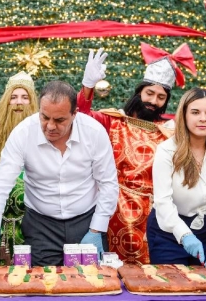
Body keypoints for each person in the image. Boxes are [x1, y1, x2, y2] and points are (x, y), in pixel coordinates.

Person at [77, 44, 197, 264]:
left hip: (154, 213)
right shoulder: (112, 121)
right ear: (139, 92)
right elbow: (80, 118)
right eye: (149, 93)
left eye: (161, 97)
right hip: (113, 208)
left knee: (152, 274)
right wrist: (87, 86)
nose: (153, 101)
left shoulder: (171, 132)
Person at [0, 81, 119, 266]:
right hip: (40, 225)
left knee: (90, 284)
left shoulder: (94, 133)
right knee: (42, 285)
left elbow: (108, 183)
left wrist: (96, 230)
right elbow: (1, 182)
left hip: (86, 221)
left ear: (74, 114)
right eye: (45, 117)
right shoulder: (23, 133)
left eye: (60, 120)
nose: (50, 126)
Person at [147, 87, 206, 266]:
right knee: (173, 288)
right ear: (184, 115)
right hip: (168, 234)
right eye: (195, 112)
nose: (203, 118)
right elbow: (163, 202)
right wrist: (185, 235)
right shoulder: (166, 151)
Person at [0, 72, 39, 265]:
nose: (19, 102)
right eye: (13, 97)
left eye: (25, 97)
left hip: (35, 225)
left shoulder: (44, 137)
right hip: (0, 226)